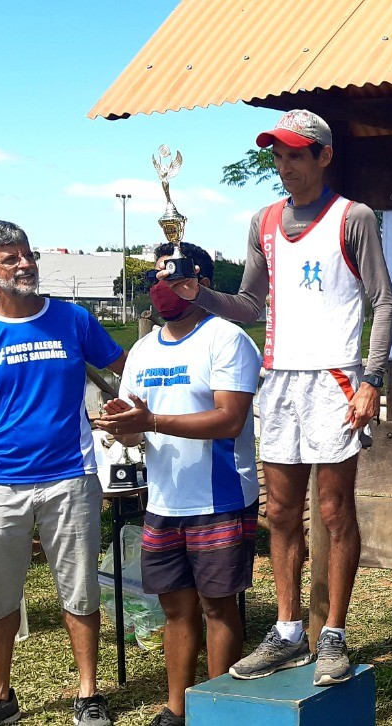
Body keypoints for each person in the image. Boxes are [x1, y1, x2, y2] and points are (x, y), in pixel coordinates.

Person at [165, 109, 392, 685]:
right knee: (282, 514)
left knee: (334, 512)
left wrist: (370, 379)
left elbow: (384, 301)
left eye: (297, 154)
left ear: (323, 156)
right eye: (278, 155)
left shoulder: (353, 217)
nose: (285, 166)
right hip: (281, 378)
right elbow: (248, 305)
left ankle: (335, 633)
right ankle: (289, 630)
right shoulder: (263, 220)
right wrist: (201, 296)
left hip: (335, 378)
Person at [0, 221, 125, 726]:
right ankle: (0, 697)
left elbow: (122, 367)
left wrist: (136, 402)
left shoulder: (72, 318)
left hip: (71, 476)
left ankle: (88, 695)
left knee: (79, 588)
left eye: (28, 254)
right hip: (1, 482)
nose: (25, 264)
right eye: (10, 258)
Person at [96, 243, 261, 726]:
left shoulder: (227, 339)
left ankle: (218, 710)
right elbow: (135, 422)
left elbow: (230, 420)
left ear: (202, 284)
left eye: (175, 279)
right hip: (163, 500)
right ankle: (177, 709)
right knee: (175, 609)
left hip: (220, 494)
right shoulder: (145, 349)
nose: (162, 291)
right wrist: (121, 424)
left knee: (217, 606)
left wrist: (152, 421)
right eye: (156, 280)